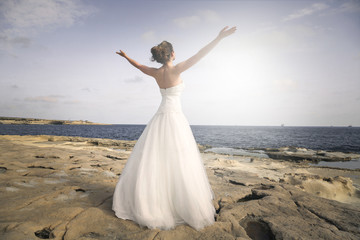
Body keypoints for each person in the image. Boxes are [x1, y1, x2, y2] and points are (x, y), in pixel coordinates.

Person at [112, 26, 236, 230]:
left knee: (155, 159)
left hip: (160, 118)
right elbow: (200, 54)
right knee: (180, 159)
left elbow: (139, 66)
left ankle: (156, 200)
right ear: (172, 54)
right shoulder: (176, 69)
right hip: (176, 118)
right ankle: (176, 203)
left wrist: (126, 57)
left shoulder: (155, 72)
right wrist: (219, 38)